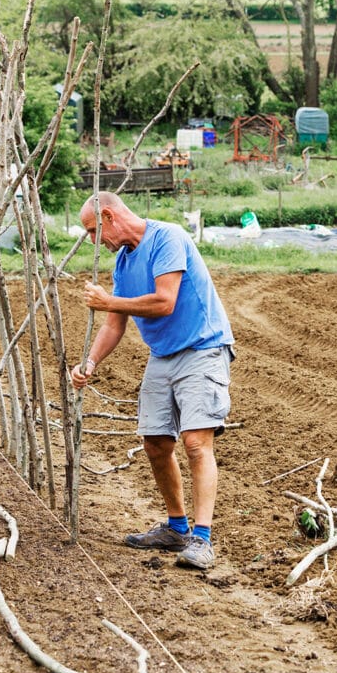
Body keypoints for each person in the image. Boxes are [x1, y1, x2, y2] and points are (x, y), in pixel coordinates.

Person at [70, 192, 234, 571]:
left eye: (95, 231)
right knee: (156, 443)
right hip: (163, 355)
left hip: (203, 348)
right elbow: (115, 323)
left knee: (196, 442)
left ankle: (202, 539)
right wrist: (90, 362)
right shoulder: (124, 264)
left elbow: (165, 302)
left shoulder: (167, 238)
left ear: (110, 216)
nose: (96, 241)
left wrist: (109, 301)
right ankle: (176, 528)